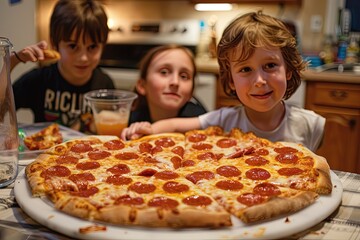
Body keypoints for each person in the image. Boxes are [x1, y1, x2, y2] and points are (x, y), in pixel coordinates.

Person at [121, 11, 325, 152]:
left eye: (270, 66)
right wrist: (149, 129)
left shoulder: (311, 125)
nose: (260, 80)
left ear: (288, 69)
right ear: (231, 81)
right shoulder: (224, 120)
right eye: (245, 69)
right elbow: (174, 126)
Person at [10, 0, 114, 133]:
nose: (83, 58)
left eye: (92, 47)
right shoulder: (40, 79)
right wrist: (12, 61)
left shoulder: (105, 84)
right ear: (55, 44)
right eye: (72, 46)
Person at [128, 44, 207, 125]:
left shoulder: (201, 123)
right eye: (164, 72)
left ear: (191, 92)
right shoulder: (128, 120)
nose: (175, 82)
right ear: (142, 85)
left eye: (184, 76)